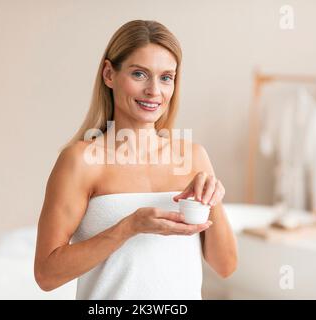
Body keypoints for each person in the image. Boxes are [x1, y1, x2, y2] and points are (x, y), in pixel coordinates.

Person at [34, 20, 237, 299]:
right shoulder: (81, 161)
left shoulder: (193, 157)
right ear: (109, 74)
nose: (154, 90)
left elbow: (226, 266)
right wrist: (128, 227)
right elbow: (46, 274)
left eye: (166, 77)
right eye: (140, 74)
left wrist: (212, 202)